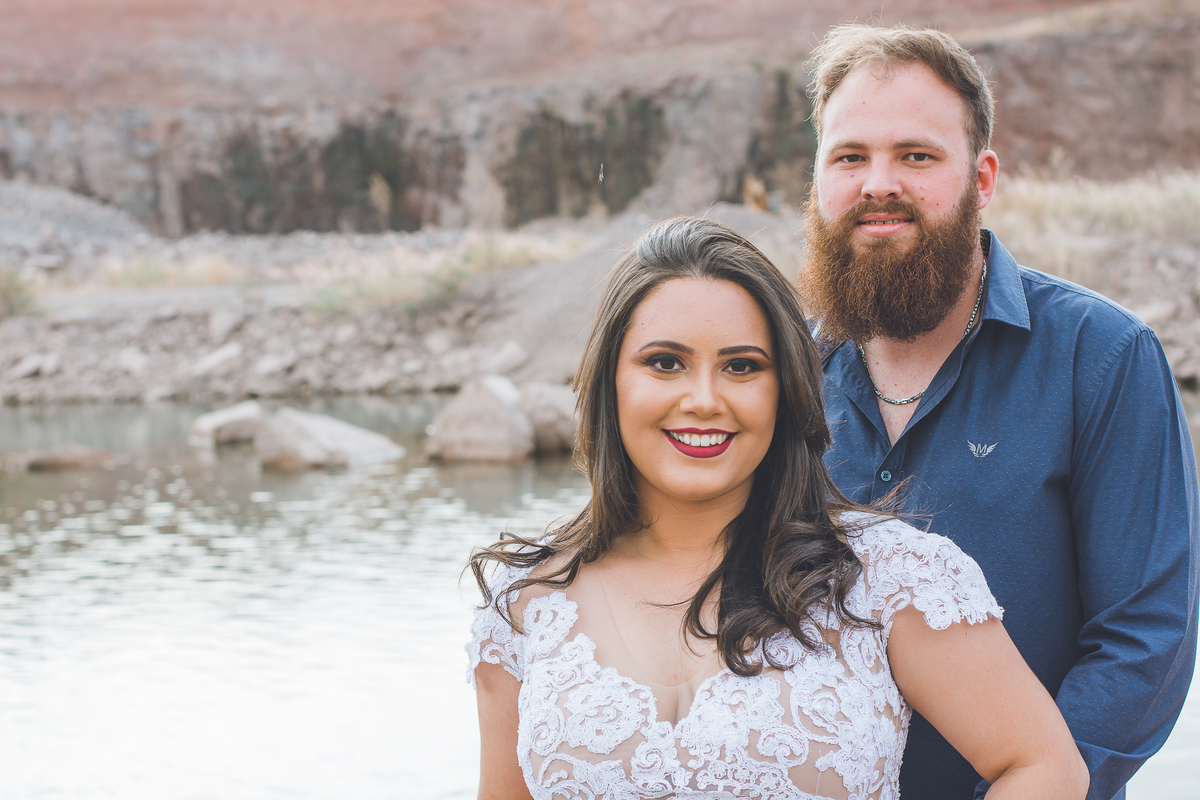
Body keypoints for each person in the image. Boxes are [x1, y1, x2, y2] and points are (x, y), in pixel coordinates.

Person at [466, 216, 1088, 799]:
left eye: (741, 366)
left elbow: (1044, 766)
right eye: (665, 362)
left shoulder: (891, 578)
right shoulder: (525, 604)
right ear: (611, 382)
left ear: (784, 391)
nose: (704, 399)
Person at [799, 23, 1200, 800]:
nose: (879, 183)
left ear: (982, 178)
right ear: (817, 179)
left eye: (917, 156)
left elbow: (1143, 643)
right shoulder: (778, 372)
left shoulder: (1104, 357)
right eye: (850, 157)